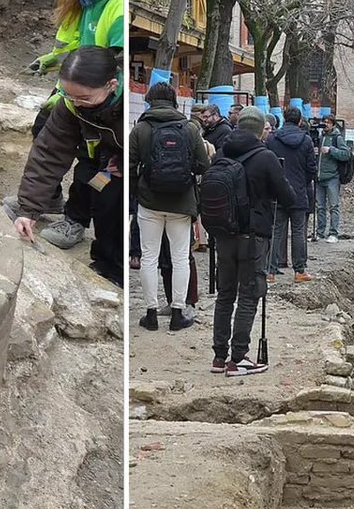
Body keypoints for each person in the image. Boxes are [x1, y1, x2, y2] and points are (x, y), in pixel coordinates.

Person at [17, 0, 125, 249]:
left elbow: (113, 59)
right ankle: (44, 202)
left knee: (94, 175)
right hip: (84, 91)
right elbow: (48, 156)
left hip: (101, 105)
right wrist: (27, 210)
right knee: (46, 134)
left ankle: (77, 221)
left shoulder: (116, 7)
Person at [12, 46, 123, 286]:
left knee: (112, 205)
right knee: (89, 185)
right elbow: (48, 154)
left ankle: (117, 270)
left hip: (126, 164)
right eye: (68, 94)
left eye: (84, 98)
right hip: (99, 157)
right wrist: (28, 211)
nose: (76, 103)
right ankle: (101, 262)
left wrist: (129, 163)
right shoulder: (70, 104)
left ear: (111, 85)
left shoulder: (128, 104)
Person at [210, 107, 294, 376]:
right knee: (249, 294)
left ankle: (219, 357)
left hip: (223, 234)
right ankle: (239, 357)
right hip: (254, 236)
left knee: (225, 296)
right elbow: (287, 196)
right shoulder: (265, 157)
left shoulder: (221, 153)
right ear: (260, 131)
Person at [130, 82, 209, 331]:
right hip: (182, 202)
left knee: (149, 257)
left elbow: (129, 167)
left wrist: (141, 188)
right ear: (174, 101)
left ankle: (151, 314)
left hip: (149, 203)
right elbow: (204, 165)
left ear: (150, 100)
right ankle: (178, 312)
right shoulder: (189, 128)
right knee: (180, 258)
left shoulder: (140, 128)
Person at [266, 106, 316, 282]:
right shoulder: (307, 140)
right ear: (300, 120)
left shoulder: (272, 139)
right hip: (299, 192)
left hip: (278, 192)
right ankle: (299, 271)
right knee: (298, 232)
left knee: (276, 232)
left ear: (283, 118)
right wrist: (302, 182)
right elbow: (312, 168)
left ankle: (270, 272)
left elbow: (268, 164)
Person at [314, 115, 352, 243]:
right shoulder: (319, 137)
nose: (326, 125)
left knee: (333, 206)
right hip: (319, 177)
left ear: (333, 124)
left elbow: (346, 154)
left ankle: (333, 233)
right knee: (320, 206)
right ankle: (320, 232)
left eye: (328, 123)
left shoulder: (337, 138)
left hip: (332, 177)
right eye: (324, 122)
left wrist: (331, 150)